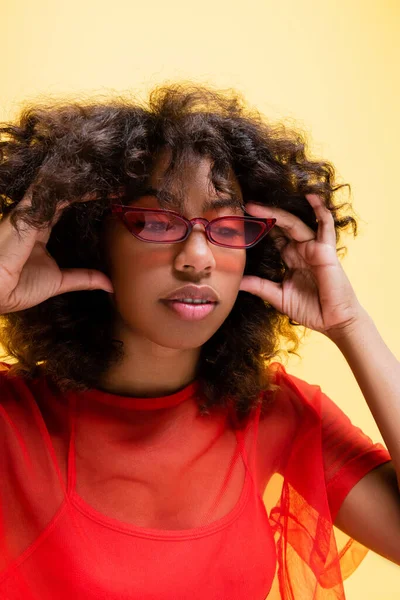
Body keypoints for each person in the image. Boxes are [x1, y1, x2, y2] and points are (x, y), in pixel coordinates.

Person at [0, 83, 398, 600]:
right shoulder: (13, 423)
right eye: (156, 221)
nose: (198, 258)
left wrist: (350, 323)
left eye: (227, 226)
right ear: (91, 237)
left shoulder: (275, 414)